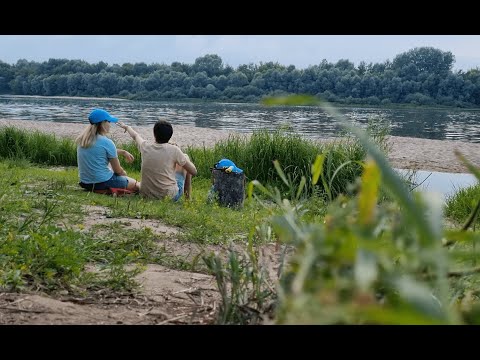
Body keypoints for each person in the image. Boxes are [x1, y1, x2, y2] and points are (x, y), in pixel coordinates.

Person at [117, 119, 197, 201]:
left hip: (146, 194)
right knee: (185, 158)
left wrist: (127, 127)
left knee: (178, 161)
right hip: (168, 197)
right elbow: (193, 171)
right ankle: (188, 199)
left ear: (154, 134)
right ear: (170, 135)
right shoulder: (174, 150)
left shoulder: (145, 146)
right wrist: (184, 157)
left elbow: (135, 136)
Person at [76, 108, 140, 192]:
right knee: (137, 184)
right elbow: (118, 171)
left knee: (109, 168)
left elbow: (98, 151)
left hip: (85, 183)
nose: (110, 124)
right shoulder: (107, 142)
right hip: (102, 183)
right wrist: (124, 175)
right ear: (103, 123)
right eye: (109, 122)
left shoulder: (83, 140)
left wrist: (123, 152)